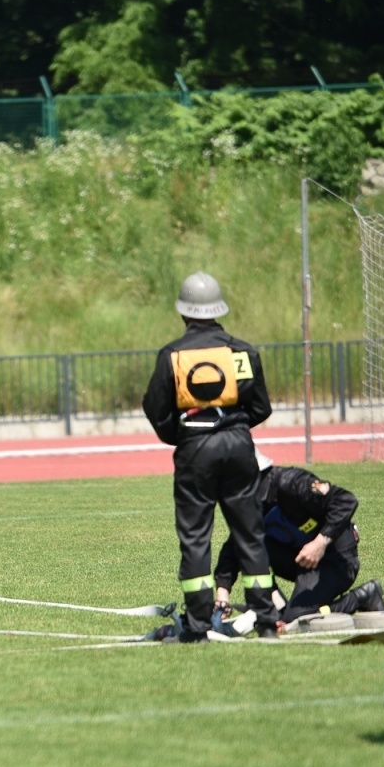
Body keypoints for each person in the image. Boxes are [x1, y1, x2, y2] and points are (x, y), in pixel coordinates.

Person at [142, 272, 280, 641]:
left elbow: (156, 409)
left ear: (184, 312)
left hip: (195, 451)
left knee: (195, 537)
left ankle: (199, 625)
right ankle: (266, 621)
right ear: (218, 309)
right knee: (250, 534)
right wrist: (233, 426)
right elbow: (261, 407)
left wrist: (184, 435)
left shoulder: (172, 356)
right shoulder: (240, 351)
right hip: (238, 447)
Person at [212, 451, 384, 628]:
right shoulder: (249, 502)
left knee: (296, 621)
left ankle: (362, 597)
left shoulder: (291, 482)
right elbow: (235, 545)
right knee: (245, 544)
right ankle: (275, 609)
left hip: (337, 559)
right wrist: (222, 597)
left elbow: (345, 501)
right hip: (301, 560)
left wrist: (320, 543)